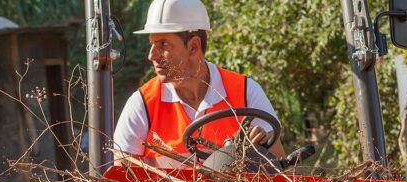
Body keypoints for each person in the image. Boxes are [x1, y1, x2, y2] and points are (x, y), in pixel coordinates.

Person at [111, 0, 286, 168]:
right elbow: (121, 176)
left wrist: (259, 148)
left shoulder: (246, 91)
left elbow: (279, 170)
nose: (152, 55)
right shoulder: (143, 103)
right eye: (152, 44)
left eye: (163, 44)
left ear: (194, 46)